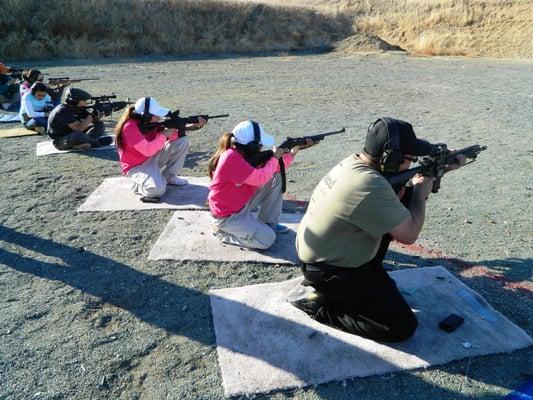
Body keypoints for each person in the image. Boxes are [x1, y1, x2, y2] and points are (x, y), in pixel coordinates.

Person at [290, 117, 465, 342]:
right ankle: (323, 306)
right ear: (390, 158)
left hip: (324, 255)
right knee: (400, 326)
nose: (412, 164)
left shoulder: (354, 164)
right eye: (411, 158)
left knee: (396, 215)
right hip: (330, 270)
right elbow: (409, 234)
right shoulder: (369, 185)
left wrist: (439, 170)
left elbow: (394, 200)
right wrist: (421, 194)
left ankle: (348, 287)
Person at [207, 120, 312, 250]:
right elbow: (261, 178)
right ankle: (221, 232)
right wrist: (274, 157)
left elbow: (276, 168)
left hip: (239, 205)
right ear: (251, 145)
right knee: (267, 239)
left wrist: (292, 152)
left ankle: (269, 222)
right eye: (259, 145)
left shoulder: (243, 154)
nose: (261, 147)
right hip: (227, 216)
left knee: (275, 177)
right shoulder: (231, 158)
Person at [115, 97, 206, 199]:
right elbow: (147, 150)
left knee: (182, 141)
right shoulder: (130, 127)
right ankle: (138, 186)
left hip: (153, 158)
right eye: (156, 114)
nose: (159, 116)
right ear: (146, 116)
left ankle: (169, 177)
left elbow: (175, 136)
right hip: (136, 166)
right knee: (157, 190)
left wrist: (195, 125)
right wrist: (163, 135)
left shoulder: (150, 123)